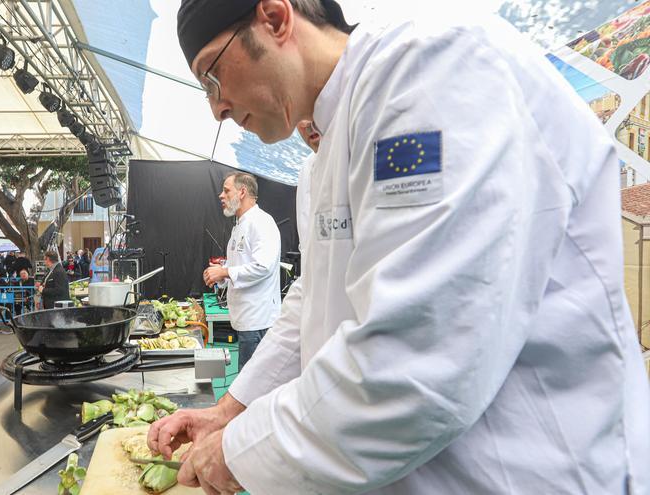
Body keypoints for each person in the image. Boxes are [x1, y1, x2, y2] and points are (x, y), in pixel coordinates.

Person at [148, 1, 650, 494]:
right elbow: (313, 299)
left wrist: (239, 450)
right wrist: (230, 409)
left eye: (211, 76)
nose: (217, 108)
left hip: (523, 469)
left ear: (276, 19)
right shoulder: (330, 145)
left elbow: (420, 355)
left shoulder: (425, 66)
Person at [203, 172, 281, 371]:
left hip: (258, 320)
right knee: (246, 382)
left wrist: (225, 272)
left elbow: (263, 266)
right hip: (244, 319)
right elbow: (238, 263)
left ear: (242, 192)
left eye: (226, 191)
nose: (221, 195)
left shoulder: (262, 222)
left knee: (251, 388)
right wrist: (220, 274)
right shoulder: (239, 226)